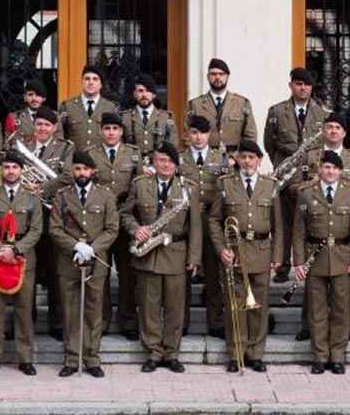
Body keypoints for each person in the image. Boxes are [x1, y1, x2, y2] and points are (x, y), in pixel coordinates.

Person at [121, 143, 201, 373]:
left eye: (169, 161)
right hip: (148, 254)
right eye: (160, 160)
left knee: (175, 308)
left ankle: (171, 353)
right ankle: (153, 352)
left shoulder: (189, 188)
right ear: (154, 162)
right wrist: (136, 229)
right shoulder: (141, 184)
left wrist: (194, 258)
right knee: (149, 307)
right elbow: (125, 213)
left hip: (176, 253)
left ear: (176, 165)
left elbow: (195, 226)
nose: (165, 165)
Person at [291, 112, 350, 342]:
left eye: (338, 127)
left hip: (344, 225)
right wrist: (315, 183)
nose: (333, 131)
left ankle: (349, 327)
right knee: (314, 286)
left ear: (344, 132)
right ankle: (309, 326)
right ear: (323, 130)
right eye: (329, 127)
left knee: (345, 287)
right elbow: (295, 186)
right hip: (316, 221)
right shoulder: (310, 156)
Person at [208, 140, 283, 373]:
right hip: (235, 251)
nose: (247, 161)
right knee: (235, 306)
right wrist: (221, 249)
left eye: (252, 157)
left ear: (259, 161)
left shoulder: (270, 185)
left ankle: (256, 354)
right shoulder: (225, 184)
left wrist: (277, 255)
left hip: (261, 251)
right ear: (238, 160)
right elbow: (213, 220)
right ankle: (236, 353)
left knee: (258, 307)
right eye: (244, 157)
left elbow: (278, 226)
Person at [49, 151, 119, 378]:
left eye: (85, 169)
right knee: (70, 311)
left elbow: (112, 229)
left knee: (93, 310)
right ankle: (71, 358)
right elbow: (55, 229)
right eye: (77, 169)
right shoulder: (61, 196)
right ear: (72, 171)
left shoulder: (106, 195)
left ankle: (91, 358)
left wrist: (92, 248)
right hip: (69, 261)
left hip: (96, 261)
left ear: (93, 172)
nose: (81, 173)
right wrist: (75, 246)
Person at [263, 67, 330, 284]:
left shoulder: (322, 113)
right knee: (283, 222)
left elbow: (325, 146)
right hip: (286, 176)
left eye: (307, 85)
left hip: (311, 177)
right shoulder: (277, 112)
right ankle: (282, 266)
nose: (303, 88)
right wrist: (283, 165)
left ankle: (311, 264)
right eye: (299, 84)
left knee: (312, 222)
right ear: (291, 85)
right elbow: (269, 144)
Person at [0, 153, 44, 376]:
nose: (10, 171)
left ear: (22, 170)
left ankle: (25, 358)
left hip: (23, 258)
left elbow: (36, 229)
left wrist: (15, 249)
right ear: (1, 171)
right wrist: (0, 249)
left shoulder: (32, 197)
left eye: (15, 167)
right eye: (6, 167)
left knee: (24, 309)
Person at [19, 105, 74, 340]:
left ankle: (57, 323)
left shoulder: (65, 148)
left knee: (55, 273)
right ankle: (25, 321)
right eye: (39, 124)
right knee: (26, 273)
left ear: (54, 128)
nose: (42, 128)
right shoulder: (23, 148)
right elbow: (11, 172)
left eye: (47, 125)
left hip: (53, 217)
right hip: (27, 218)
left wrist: (41, 187)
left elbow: (69, 175)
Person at [86, 112, 142, 340]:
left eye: (115, 129)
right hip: (99, 223)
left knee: (128, 273)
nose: (111, 133)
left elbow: (138, 187)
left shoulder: (134, 155)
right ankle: (103, 320)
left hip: (126, 221)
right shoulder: (91, 154)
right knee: (100, 272)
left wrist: (123, 212)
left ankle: (128, 320)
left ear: (121, 131)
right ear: (101, 130)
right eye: (107, 128)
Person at [179, 115, 229, 338]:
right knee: (182, 278)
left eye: (202, 133)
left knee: (214, 275)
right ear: (188, 135)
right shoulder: (179, 159)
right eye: (194, 133)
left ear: (210, 134)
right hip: (185, 223)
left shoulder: (221, 158)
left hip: (211, 222)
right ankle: (182, 322)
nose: (198, 137)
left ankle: (216, 322)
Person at [184, 58, 257, 149]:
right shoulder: (195, 105)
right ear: (208, 77)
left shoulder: (242, 103)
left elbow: (250, 136)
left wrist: (236, 158)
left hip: (234, 159)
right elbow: (187, 136)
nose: (217, 77)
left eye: (221, 74)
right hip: (205, 159)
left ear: (227, 77)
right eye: (213, 74)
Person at [58, 66, 119, 152]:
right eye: (87, 79)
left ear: (101, 84)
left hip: (101, 161)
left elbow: (117, 138)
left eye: (95, 79)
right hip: (74, 160)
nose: (90, 82)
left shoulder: (111, 107)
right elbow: (59, 135)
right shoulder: (68, 106)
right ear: (82, 82)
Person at [121, 74, 176, 157]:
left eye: (148, 91)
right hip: (132, 165)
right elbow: (119, 147)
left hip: (158, 167)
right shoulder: (125, 117)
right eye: (140, 91)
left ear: (154, 94)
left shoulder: (166, 117)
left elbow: (172, 146)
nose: (144, 95)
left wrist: (154, 167)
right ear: (134, 94)